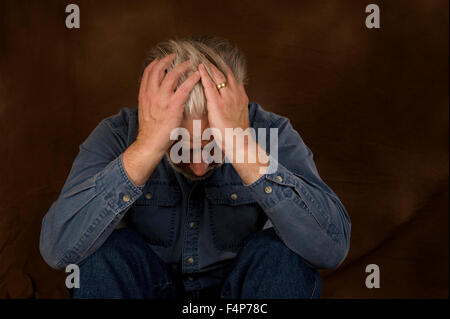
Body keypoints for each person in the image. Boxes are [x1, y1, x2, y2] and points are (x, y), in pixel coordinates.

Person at [39, 35, 351, 299]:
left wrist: (240, 145)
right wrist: (147, 146)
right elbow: (58, 250)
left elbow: (331, 248)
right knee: (104, 255)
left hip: (243, 299)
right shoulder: (119, 133)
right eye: (179, 148)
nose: (200, 167)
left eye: (214, 146)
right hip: (150, 289)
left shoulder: (270, 131)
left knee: (282, 255)